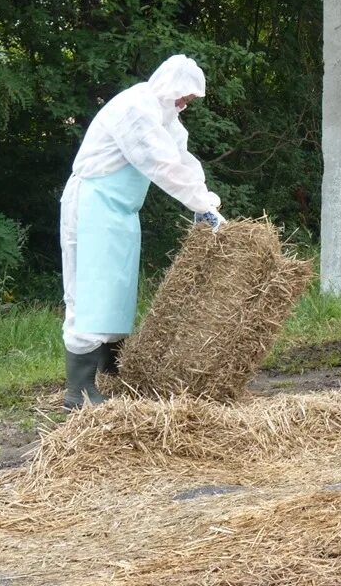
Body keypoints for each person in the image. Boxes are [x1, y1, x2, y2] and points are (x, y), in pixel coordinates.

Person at [59, 54, 225, 409]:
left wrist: (207, 202)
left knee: (117, 292)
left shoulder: (168, 118)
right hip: (92, 205)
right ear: (168, 85)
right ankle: (80, 391)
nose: (184, 104)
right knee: (89, 293)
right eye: (183, 97)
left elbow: (182, 161)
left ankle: (111, 377)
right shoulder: (137, 108)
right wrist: (198, 203)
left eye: (189, 101)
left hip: (119, 212)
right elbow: (162, 165)